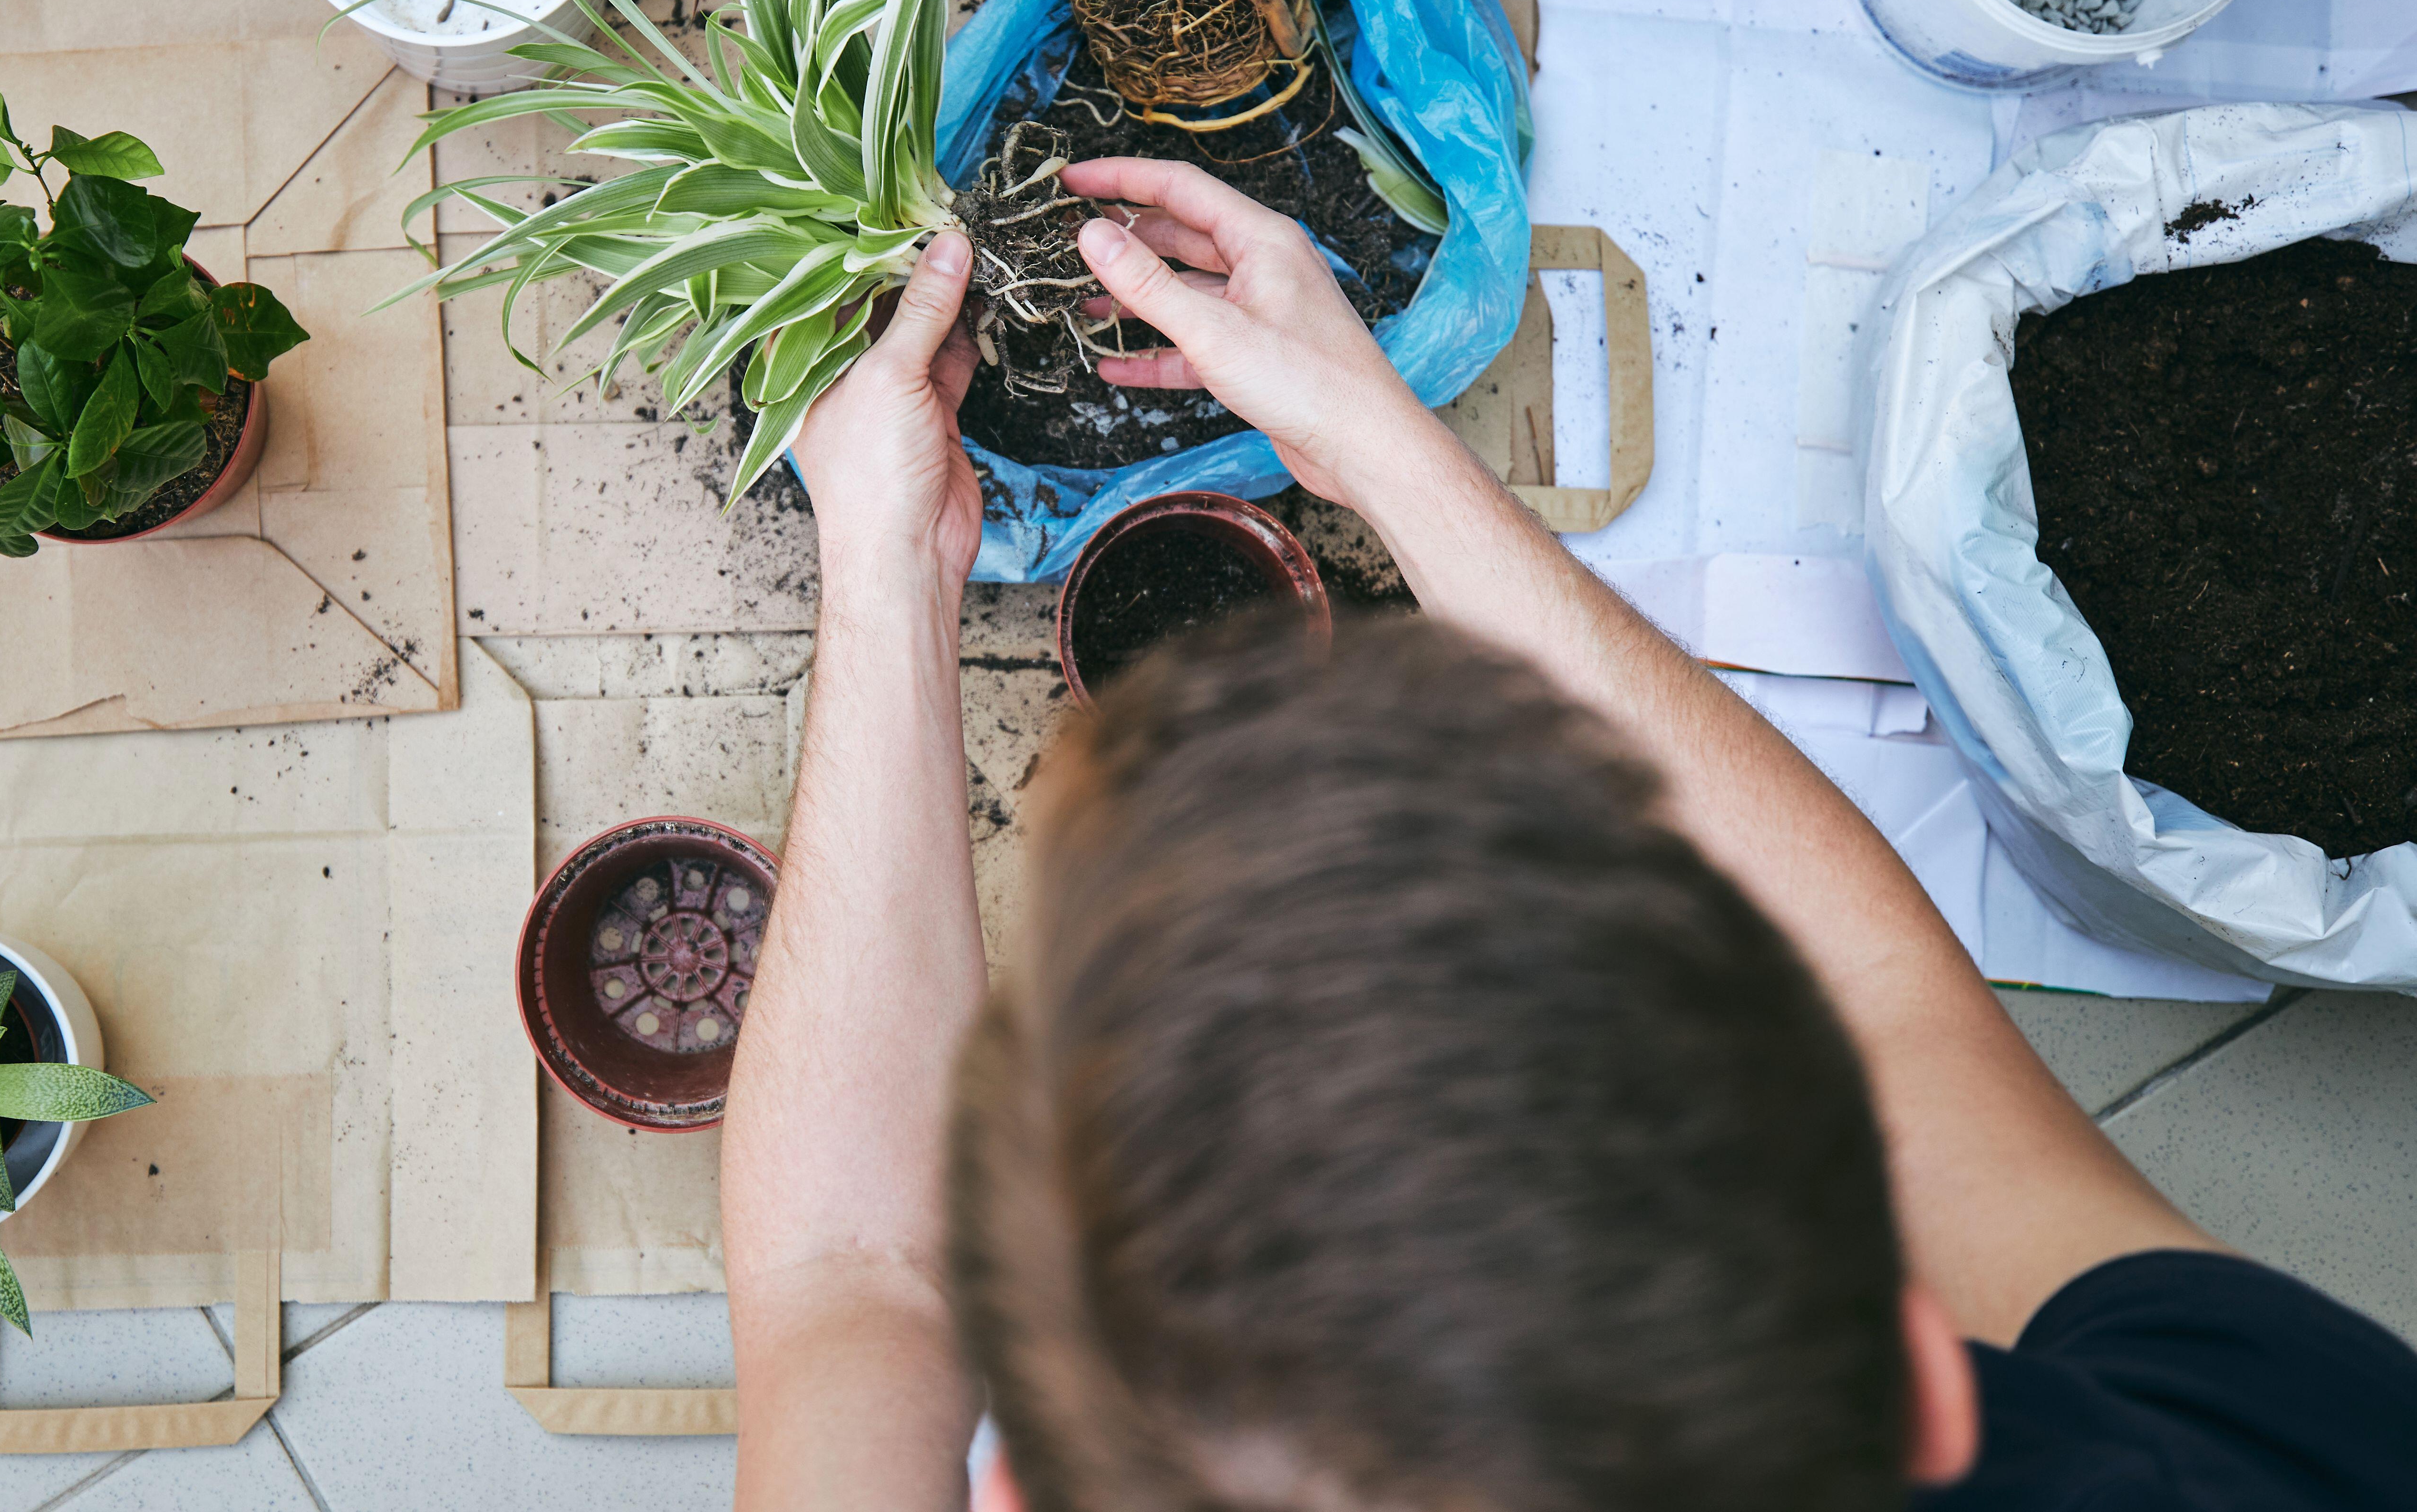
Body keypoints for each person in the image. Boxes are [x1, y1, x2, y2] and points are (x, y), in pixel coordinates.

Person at [721, 158, 2417, 1512]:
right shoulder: (2263, 1454)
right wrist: (1377, 443)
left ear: (1009, 1489)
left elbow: (846, 1274)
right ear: (1914, 1369)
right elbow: (1872, 999)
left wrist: (889, 562)